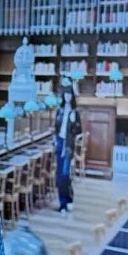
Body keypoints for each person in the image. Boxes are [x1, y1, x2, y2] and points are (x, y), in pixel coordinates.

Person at [54, 79, 82, 212]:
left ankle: (69, 198)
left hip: (68, 145)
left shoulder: (75, 112)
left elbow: (79, 130)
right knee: (59, 175)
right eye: (65, 94)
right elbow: (56, 128)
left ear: (72, 96)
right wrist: (55, 140)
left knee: (65, 174)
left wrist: (74, 123)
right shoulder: (59, 111)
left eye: (70, 94)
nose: (67, 96)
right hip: (59, 143)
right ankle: (63, 203)